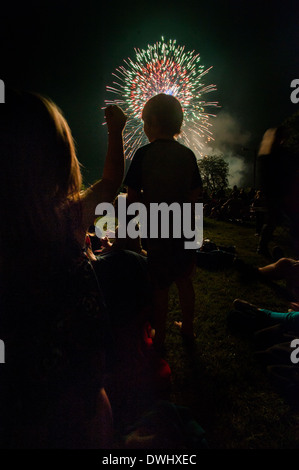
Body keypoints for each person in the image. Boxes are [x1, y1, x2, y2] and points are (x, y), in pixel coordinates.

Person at [0, 88, 127, 448]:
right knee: (95, 408)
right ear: (60, 157)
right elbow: (109, 184)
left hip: (22, 387)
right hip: (75, 377)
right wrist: (115, 132)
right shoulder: (67, 215)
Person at [123, 93, 202, 349]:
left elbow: (132, 197)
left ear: (154, 122)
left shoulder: (143, 154)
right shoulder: (188, 155)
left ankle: (160, 337)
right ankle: (188, 328)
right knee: (184, 280)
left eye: (145, 123)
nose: (144, 129)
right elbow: (194, 196)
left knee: (160, 286)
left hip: (157, 229)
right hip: (184, 229)